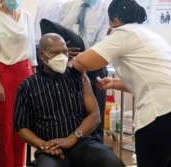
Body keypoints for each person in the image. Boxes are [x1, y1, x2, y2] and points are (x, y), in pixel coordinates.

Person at [72, 0, 171, 167]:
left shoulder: (123, 33)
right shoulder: (147, 34)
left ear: (115, 19)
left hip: (169, 108)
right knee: (169, 161)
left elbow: (84, 62)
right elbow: (149, 79)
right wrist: (113, 82)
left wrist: (73, 60)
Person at [13, 33, 125, 167]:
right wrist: (44, 145)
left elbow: (95, 115)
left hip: (83, 143)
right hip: (50, 148)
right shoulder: (28, 86)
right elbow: (21, 127)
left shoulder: (79, 77)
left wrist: (72, 138)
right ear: (42, 55)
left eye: (65, 52)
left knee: (112, 163)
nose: (62, 56)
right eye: (55, 52)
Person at [0, 0, 37, 166]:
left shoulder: (26, 16)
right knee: (7, 127)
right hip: (3, 74)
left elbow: (32, 52)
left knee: (22, 126)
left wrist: (33, 80)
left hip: (25, 72)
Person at [58, 0, 110, 142]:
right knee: (70, 112)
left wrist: (82, 60)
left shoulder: (106, 9)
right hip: (68, 67)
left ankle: (96, 150)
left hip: (94, 68)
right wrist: (63, 51)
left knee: (95, 114)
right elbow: (57, 33)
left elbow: (102, 43)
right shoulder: (67, 6)